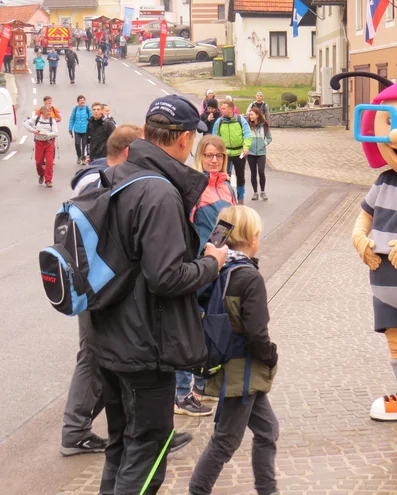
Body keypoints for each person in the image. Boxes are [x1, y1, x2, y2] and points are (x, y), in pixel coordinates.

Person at [88, 95, 227, 494]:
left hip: (109, 335)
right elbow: (166, 277)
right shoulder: (159, 192)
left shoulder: (117, 174)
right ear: (184, 139)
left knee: (121, 447)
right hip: (145, 347)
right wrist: (212, 262)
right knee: (148, 451)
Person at [61, 125, 144, 457]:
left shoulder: (90, 177)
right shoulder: (105, 183)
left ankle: (131, 429)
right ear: (126, 153)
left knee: (100, 356)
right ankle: (75, 431)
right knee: (94, 357)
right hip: (101, 285)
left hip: (89, 281)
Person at [189, 205, 279, 495]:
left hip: (230, 365)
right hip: (242, 372)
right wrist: (271, 355)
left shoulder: (216, 266)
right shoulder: (249, 277)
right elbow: (256, 332)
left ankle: (268, 490)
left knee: (267, 431)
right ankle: (197, 490)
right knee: (225, 440)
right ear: (253, 238)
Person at [175, 135, 237, 416]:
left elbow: (229, 226)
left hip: (219, 267)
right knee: (189, 329)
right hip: (196, 267)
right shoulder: (192, 188)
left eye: (219, 155)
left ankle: (201, 385)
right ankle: (180, 393)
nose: (214, 160)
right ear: (199, 156)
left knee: (211, 328)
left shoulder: (227, 187)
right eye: (209, 155)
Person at [212, 101, 252, 204]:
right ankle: (227, 198)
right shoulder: (219, 122)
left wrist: (246, 147)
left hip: (239, 154)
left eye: (224, 109)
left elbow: (247, 135)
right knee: (225, 177)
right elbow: (214, 137)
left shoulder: (240, 120)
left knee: (240, 177)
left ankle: (240, 198)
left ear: (230, 110)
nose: (221, 110)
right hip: (226, 154)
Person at [23, 106, 58, 187]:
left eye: (50, 112)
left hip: (49, 143)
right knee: (38, 162)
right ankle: (41, 174)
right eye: (47, 112)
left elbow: (56, 133)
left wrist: (47, 134)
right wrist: (33, 130)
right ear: (42, 113)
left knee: (49, 162)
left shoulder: (52, 121)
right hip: (39, 143)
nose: (49, 114)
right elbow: (25, 123)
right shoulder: (36, 119)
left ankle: (48, 180)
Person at [246, 106, 271, 201]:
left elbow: (269, 137)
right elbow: (245, 136)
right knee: (253, 173)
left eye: (252, 114)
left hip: (261, 152)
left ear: (257, 115)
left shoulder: (264, 125)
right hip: (251, 152)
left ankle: (263, 192)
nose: (250, 116)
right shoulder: (248, 125)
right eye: (249, 115)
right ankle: (255, 193)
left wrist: (264, 143)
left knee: (261, 172)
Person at [69, 95, 92, 166]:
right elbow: (72, 119)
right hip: (77, 130)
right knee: (77, 144)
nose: (82, 101)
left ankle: (83, 158)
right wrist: (70, 128)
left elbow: (91, 119)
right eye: (81, 100)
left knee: (84, 144)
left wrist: (92, 128)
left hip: (85, 130)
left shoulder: (88, 109)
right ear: (78, 102)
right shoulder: (75, 109)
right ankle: (79, 156)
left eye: (83, 100)